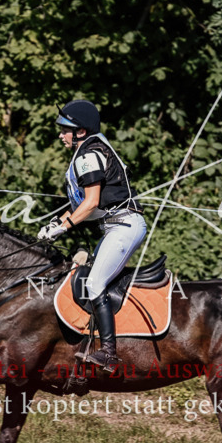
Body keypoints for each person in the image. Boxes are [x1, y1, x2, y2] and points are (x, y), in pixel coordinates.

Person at [37, 99, 147, 372]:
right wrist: (54, 225)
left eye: (65, 129)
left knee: (95, 283)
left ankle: (109, 353)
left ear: (81, 132)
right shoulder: (89, 150)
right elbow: (82, 208)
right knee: (87, 276)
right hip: (114, 227)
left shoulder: (89, 155)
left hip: (124, 225)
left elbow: (91, 202)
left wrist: (63, 227)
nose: (60, 134)